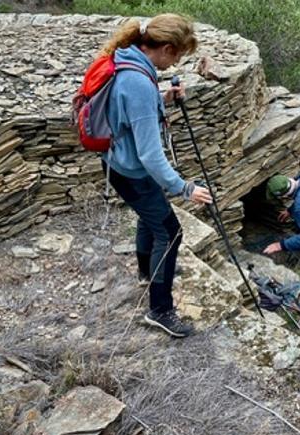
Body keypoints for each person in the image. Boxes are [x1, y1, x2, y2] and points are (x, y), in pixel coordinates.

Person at [100, 14, 212, 338]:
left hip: (118, 162)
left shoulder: (127, 61)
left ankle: (145, 273)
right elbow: (150, 155)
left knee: (151, 218)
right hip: (132, 170)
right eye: (177, 55)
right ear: (165, 48)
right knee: (171, 232)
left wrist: (162, 100)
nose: (175, 62)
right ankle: (160, 310)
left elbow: (130, 114)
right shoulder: (138, 82)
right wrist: (185, 188)